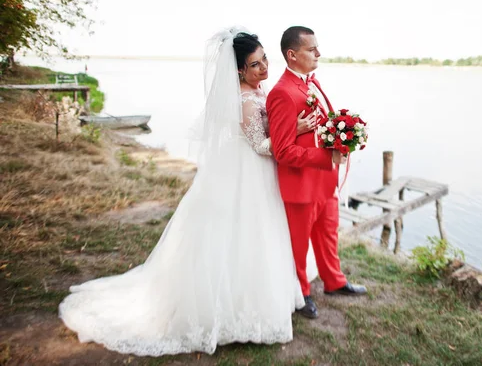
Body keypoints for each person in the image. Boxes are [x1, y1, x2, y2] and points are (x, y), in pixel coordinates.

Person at [59, 27, 317, 356]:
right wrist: (294, 132)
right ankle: (237, 310)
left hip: (245, 170)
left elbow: (268, 131)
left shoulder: (256, 92)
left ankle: (258, 298)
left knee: (254, 234)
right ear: (239, 70)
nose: (265, 67)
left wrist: (291, 126)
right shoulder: (247, 101)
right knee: (245, 234)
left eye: (265, 59)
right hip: (249, 172)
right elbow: (262, 144)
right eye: (256, 64)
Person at [266, 26, 368, 320]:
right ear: (292, 54)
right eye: (312, 50)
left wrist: (345, 134)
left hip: (325, 181)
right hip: (300, 185)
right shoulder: (282, 93)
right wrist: (327, 155)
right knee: (298, 247)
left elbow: (323, 125)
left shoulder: (312, 84)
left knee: (328, 236)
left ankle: (334, 282)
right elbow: (283, 151)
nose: (318, 54)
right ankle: (302, 294)